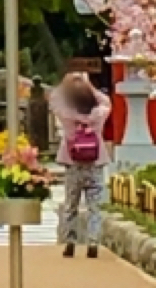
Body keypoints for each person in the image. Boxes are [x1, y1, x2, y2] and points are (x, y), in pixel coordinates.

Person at [50, 72, 111, 259]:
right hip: (95, 162)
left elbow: (54, 98)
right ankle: (93, 241)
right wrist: (88, 85)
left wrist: (66, 83)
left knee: (71, 204)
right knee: (94, 206)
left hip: (73, 162)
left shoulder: (67, 115)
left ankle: (70, 241)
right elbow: (107, 102)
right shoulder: (98, 114)